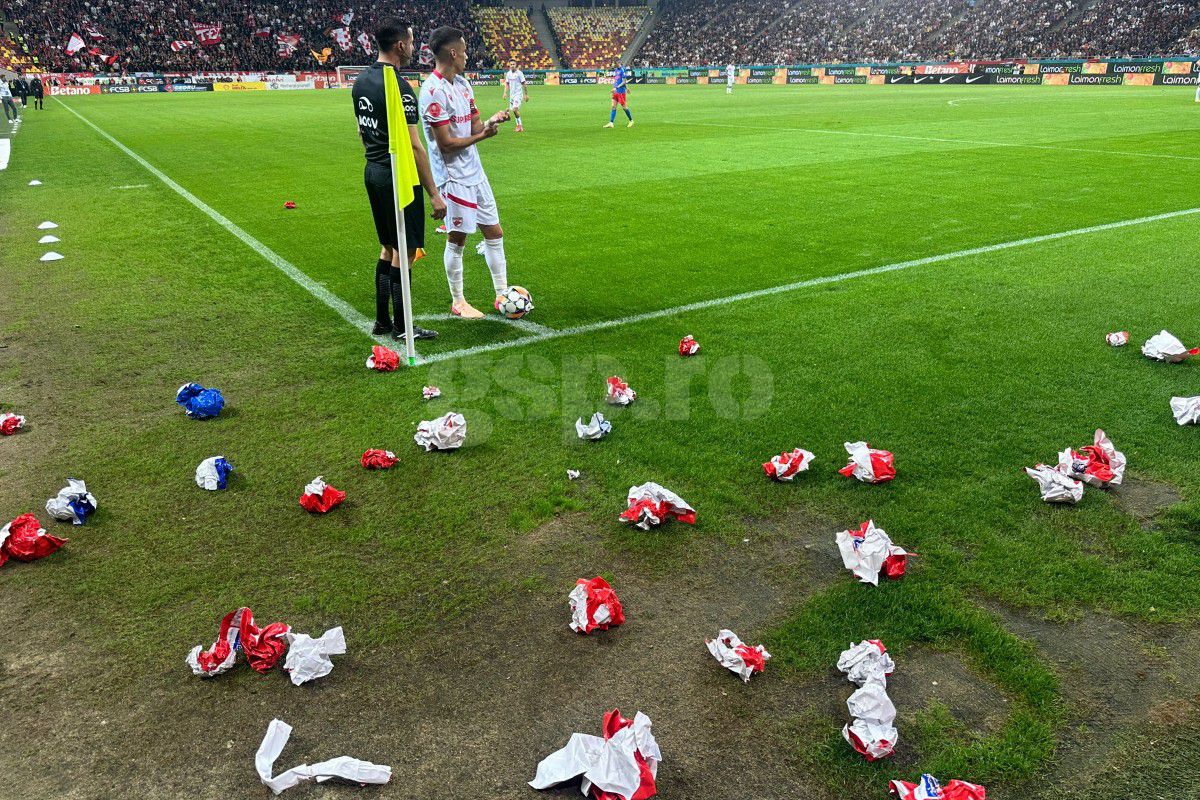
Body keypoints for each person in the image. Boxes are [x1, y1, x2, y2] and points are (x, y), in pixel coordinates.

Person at [352, 17, 448, 340]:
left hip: (373, 171)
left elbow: (361, 132)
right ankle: (403, 327)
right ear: (399, 46)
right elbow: (416, 146)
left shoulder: (361, 81)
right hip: (398, 176)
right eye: (410, 40)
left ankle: (382, 321)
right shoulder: (400, 89)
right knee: (403, 252)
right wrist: (434, 193)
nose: (413, 45)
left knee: (387, 247)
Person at [419, 26, 513, 319]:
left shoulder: (462, 85)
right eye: (464, 50)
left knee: (494, 233)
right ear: (452, 52)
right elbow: (446, 145)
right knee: (457, 238)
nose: (468, 55)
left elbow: (473, 128)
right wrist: (484, 136)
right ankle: (458, 301)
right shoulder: (432, 92)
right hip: (453, 178)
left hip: (475, 173)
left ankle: (502, 295)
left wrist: (488, 123)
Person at [604, 62, 633, 128]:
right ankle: (611, 122)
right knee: (613, 106)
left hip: (621, 92)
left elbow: (624, 81)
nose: (613, 65)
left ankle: (631, 120)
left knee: (624, 107)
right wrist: (627, 88)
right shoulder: (616, 70)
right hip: (615, 92)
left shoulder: (622, 71)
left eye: (614, 63)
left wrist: (618, 87)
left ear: (618, 63)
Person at [502, 60, 527, 133]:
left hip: (518, 95)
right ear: (509, 65)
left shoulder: (519, 73)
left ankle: (520, 126)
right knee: (513, 110)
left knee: (515, 109)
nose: (512, 65)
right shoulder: (508, 74)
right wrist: (505, 93)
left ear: (516, 65)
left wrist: (526, 94)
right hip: (512, 95)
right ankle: (518, 125)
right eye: (511, 64)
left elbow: (524, 84)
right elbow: (507, 84)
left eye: (513, 64)